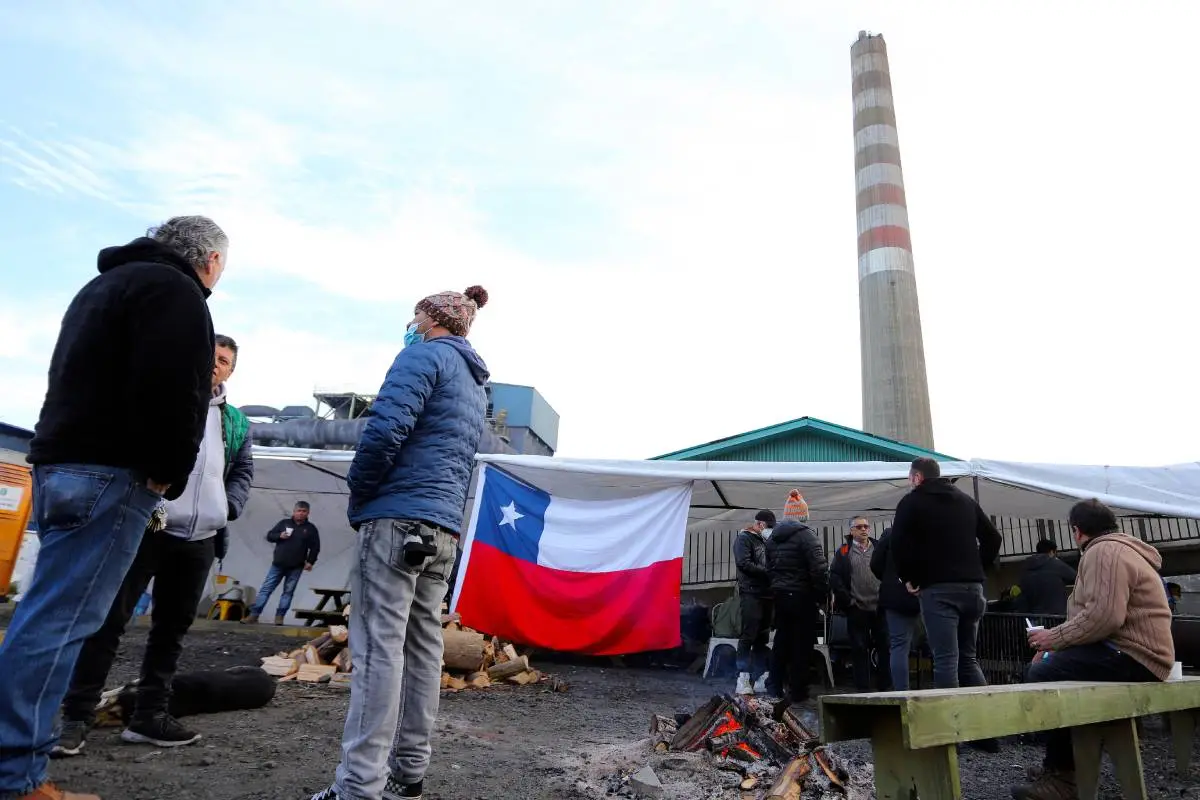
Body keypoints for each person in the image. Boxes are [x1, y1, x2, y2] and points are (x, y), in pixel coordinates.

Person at [0, 216, 226, 800]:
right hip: (113, 473)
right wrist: (169, 470)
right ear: (209, 260)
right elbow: (176, 389)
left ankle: (17, 766)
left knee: (42, 614)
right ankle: (15, 778)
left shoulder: (104, 286)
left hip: (61, 463)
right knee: (59, 624)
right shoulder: (176, 293)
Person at [310, 286, 490, 800]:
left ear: (432, 319)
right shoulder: (474, 383)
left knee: (378, 649)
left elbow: (384, 432)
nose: (409, 324)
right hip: (441, 528)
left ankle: (357, 786)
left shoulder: (422, 357)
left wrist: (362, 495)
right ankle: (407, 772)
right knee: (423, 648)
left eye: (414, 315)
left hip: (396, 520)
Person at [54, 335, 253, 756]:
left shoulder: (235, 422)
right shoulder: (169, 399)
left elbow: (242, 472)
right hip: (147, 528)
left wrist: (228, 507)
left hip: (200, 539)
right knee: (109, 622)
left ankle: (148, 716)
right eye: (209, 356)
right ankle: (76, 717)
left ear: (231, 371)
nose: (215, 365)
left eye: (223, 361)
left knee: (171, 633)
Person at [1011, 500, 1174, 800]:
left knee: (1044, 672)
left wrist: (1052, 640)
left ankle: (1063, 776)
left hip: (1135, 656)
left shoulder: (1104, 551)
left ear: (1076, 531)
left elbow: (1104, 617)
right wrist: (1056, 646)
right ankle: (1067, 763)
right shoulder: (1119, 548)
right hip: (1136, 654)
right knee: (1051, 664)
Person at [891, 457, 1003, 691]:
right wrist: (977, 567)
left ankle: (951, 723)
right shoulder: (965, 500)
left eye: (910, 478)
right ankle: (985, 716)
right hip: (973, 590)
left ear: (917, 477)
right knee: (968, 660)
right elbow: (993, 538)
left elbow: (898, 545)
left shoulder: (911, 502)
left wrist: (908, 577)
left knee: (945, 661)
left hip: (938, 591)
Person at [764, 494, 828, 710]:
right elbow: (819, 569)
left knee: (781, 641)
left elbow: (769, 567)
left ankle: (773, 686)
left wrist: (777, 587)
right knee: (802, 645)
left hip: (781, 596)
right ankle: (798, 692)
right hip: (802, 596)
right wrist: (821, 596)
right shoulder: (807, 536)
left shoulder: (773, 537)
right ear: (803, 515)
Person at [830, 517, 890, 691]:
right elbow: (835, 577)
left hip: (880, 607)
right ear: (852, 531)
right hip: (857, 608)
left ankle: (885, 686)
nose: (864, 529)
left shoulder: (879, 547)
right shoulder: (843, 551)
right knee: (859, 649)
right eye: (859, 527)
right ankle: (863, 688)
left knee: (885, 648)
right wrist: (848, 601)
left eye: (866, 526)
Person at [244, 502, 321, 625]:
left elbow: (315, 547)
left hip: (296, 566)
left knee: (288, 592)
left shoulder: (311, 529)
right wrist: (279, 535)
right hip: (278, 564)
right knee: (266, 589)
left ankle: (279, 617)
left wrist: (311, 561)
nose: (301, 513)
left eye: (304, 511)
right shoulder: (284, 523)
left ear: (308, 513)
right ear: (294, 511)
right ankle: (254, 615)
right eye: (299, 510)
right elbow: (269, 536)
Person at [870, 525, 922, 690]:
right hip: (927, 593)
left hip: (895, 596)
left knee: (898, 646)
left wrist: (888, 578)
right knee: (941, 647)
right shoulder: (931, 529)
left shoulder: (890, 534)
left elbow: (875, 563)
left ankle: (902, 692)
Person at [732, 510, 776, 695]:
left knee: (762, 637)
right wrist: (768, 572)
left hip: (768, 594)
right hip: (751, 592)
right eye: (768, 527)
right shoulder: (744, 539)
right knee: (749, 634)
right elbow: (744, 563)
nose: (769, 531)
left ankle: (760, 676)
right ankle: (742, 677)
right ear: (759, 525)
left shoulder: (769, 542)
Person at [1012, 539, 1076, 616]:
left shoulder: (1026, 566)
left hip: (1033, 615)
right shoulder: (1055, 564)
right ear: (1052, 552)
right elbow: (1076, 577)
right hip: (1056, 615)